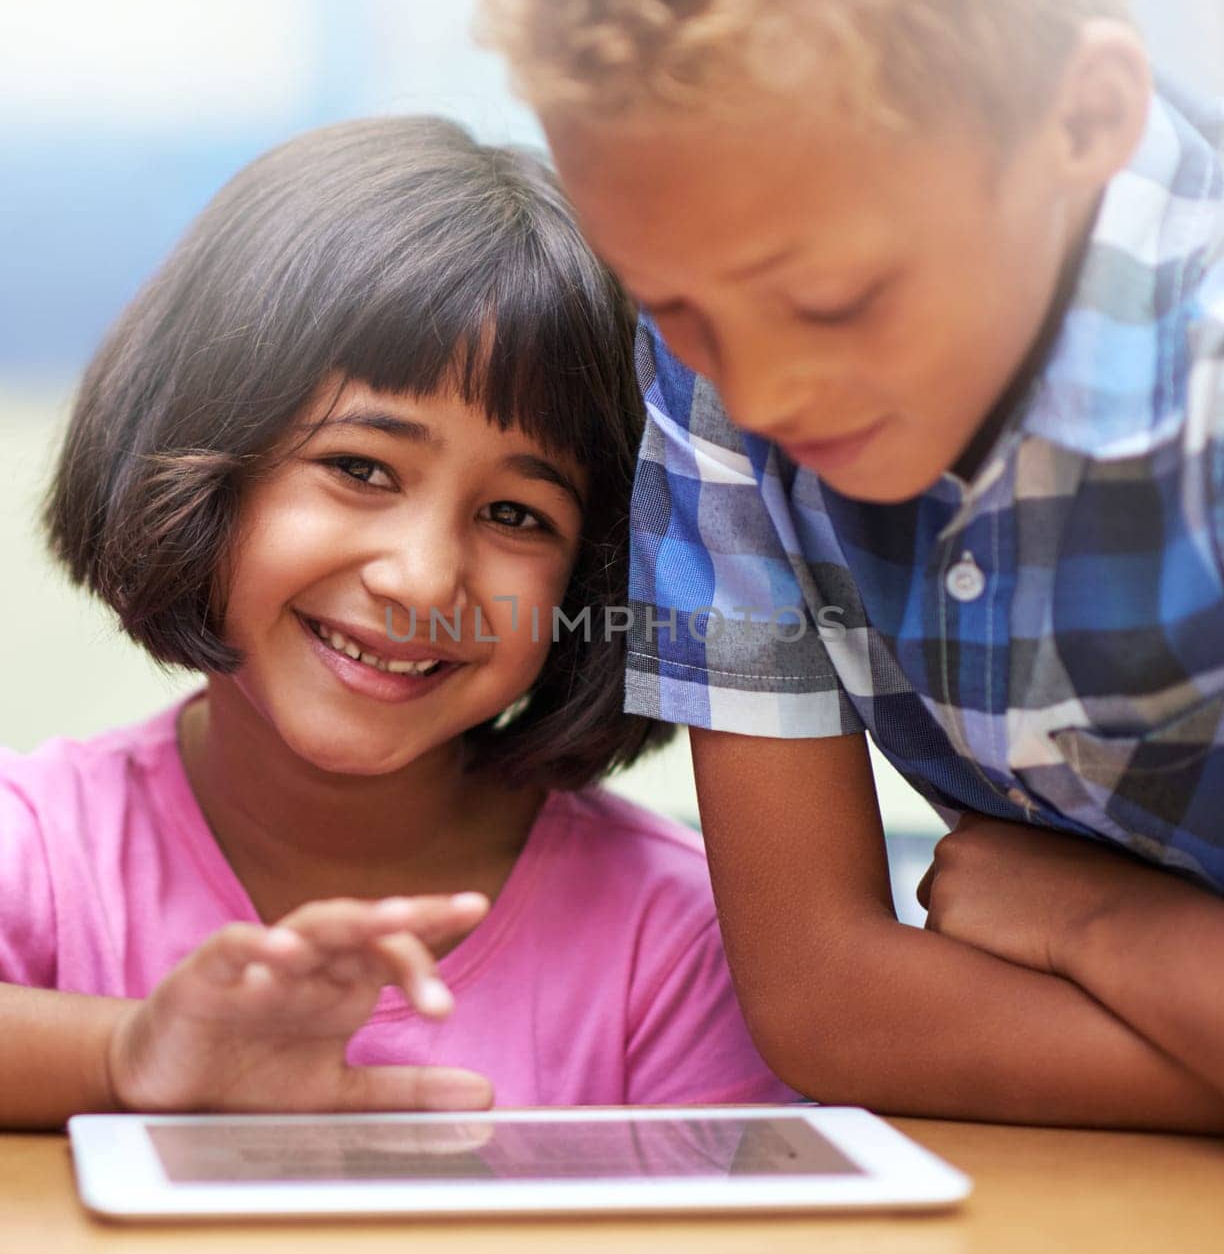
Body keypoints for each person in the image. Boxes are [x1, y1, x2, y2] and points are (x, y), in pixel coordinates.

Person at [478, 0, 1224, 1129]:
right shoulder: (727, 352)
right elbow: (829, 1005)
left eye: (836, 300)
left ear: (1084, 119)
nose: (761, 396)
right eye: (676, 306)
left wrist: (1102, 924)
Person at [0, 117, 795, 1128]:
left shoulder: (675, 945)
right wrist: (123, 1058)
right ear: (203, 456)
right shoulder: (34, 854)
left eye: (518, 514)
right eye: (361, 468)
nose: (423, 580)